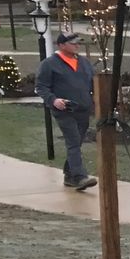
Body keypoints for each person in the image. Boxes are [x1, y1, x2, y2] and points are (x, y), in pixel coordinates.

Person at [35, 30, 98, 192]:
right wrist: (53, 100)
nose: (77, 45)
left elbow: (94, 82)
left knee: (77, 142)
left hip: (83, 109)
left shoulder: (84, 62)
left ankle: (69, 175)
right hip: (64, 109)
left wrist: (96, 100)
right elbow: (41, 87)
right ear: (61, 45)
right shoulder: (49, 64)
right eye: (73, 43)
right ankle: (79, 177)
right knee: (73, 140)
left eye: (78, 43)